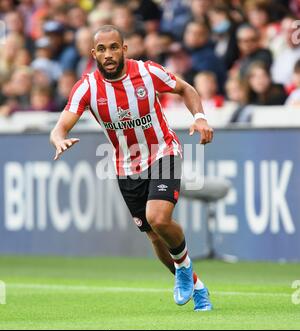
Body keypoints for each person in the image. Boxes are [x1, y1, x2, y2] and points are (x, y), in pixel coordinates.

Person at [50, 25, 213, 312]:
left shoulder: (148, 72)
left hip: (163, 151)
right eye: (101, 49)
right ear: (94, 54)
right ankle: (197, 285)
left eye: (114, 47)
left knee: (158, 218)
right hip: (126, 166)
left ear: (124, 49)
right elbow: (60, 126)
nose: (108, 54)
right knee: (153, 234)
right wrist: (59, 139)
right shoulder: (87, 87)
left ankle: (184, 269)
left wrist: (199, 117)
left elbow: (185, 88)